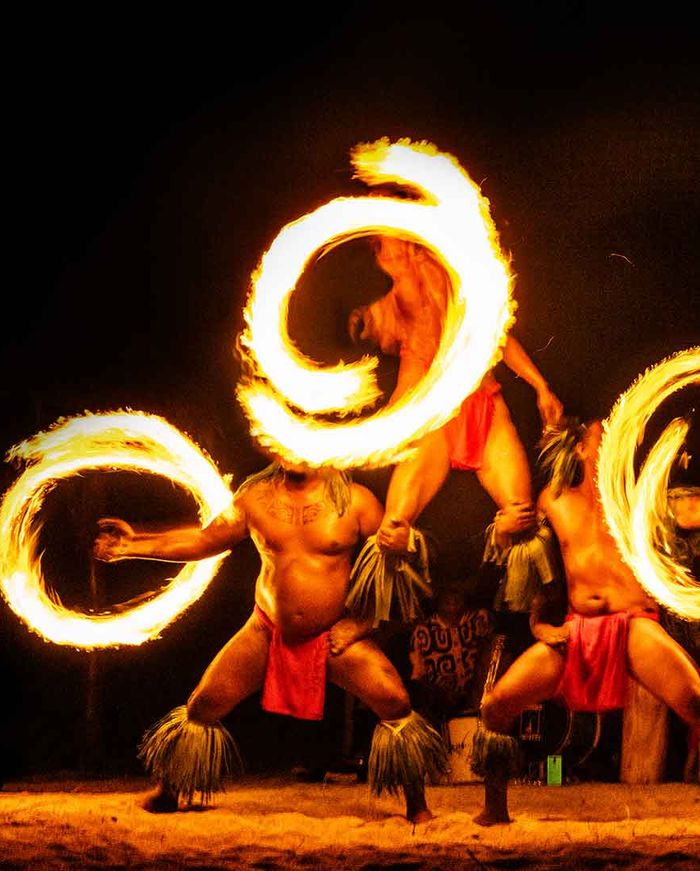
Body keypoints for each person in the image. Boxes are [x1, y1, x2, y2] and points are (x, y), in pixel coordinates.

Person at [93, 458, 447, 823]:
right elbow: (204, 539)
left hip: (335, 635)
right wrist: (135, 543)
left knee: (395, 702)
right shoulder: (255, 499)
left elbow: (398, 571)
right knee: (203, 704)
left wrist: (362, 623)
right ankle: (168, 792)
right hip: (265, 629)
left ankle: (417, 805)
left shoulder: (356, 501)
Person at [472, 418, 700, 825]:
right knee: (496, 707)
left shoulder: (637, 502)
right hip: (577, 630)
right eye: (604, 433)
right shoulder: (553, 501)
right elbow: (531, 567)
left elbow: (687, 510)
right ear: (581, 449)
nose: (616, 438)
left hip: (633, 626)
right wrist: (536, 620)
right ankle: (494, 811)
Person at [344, 223, 565, 628]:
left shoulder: (460, 281)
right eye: (380, 251)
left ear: (412, 246)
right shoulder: (392, 307)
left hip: (483, 406)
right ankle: (370, 625)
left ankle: (536, 623)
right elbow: (391, 356)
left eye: (391, 247)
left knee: (521, 516)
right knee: (392, 530)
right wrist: (380, 431)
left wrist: (541, 387)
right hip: (431, 422)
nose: (386, 256)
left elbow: (500, 338)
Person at [407, 576, 495, 729]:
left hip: (473, 702)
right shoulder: (423, 631)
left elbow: (493, 642)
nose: (452, 600)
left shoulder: (475, 622)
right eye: (447, 593)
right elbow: (417, 674)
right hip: (437, 706)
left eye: (457, 593)